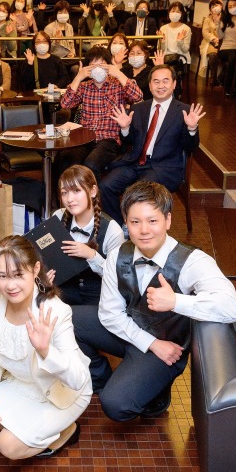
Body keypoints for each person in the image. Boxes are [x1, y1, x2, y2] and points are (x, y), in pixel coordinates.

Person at [72, 181, 236, 421]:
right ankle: (100, 378)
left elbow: (233, 308)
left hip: (167, 348)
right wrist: (150, 342)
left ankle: (155, 391)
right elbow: (110, 314)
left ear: (168, 220)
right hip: (134, 334)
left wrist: (176, 302)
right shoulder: (117, 255)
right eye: (135, 222)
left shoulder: (193, 261)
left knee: (116, 405)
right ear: (126, 223)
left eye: (152, 221)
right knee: (66, 318)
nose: (144, 230)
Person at [0, 235, 91, 459]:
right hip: (20, 382)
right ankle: (36, 428)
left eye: (18, 275)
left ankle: (66, 431)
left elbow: (78, 380)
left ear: (35, 270)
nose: (10, 285)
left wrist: (46, 351)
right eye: (2, 276)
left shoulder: (56, 310)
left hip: (60, 392)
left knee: (7, 446)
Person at [100, 64, 204, 224]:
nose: (160, 86)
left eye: (165, 81)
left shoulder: (185, 111)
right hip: (136, 163)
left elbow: (191, 147)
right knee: (105, 186)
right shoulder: (139, 108)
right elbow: (129, 141)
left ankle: (131, 226)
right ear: (150, 85)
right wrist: (125, 128)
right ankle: (117, 226)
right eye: (156, 81)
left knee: (139, 192)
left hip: (165, 167)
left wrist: (191, 128)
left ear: (174, 84)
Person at [58, 46, 143, 180]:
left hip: (108, 139)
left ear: (109, 66)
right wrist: (78, 77)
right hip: (85, 138)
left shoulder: (118, 85)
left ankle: (93, 193)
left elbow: (138, 96)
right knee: (66, 159)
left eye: (102, 64)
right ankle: (68, 192)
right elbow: (65, 104)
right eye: (93, 65)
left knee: (91, 163)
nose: (98, 69)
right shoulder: (84, 86)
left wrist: (118, 73)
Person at [49, 166, 125, 306]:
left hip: (97, 298)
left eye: (76, 191)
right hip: (62, 292)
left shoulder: (112, 230)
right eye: (64, 193)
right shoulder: (58, 216)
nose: (69, 199)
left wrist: (92, 255)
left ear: (93, 191)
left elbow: (119, 279)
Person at [217, 0, 236, 97]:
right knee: (233, 56)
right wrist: (218, 24)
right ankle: (227, 88)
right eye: (230, 6)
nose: (233, 8)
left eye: (234, 5)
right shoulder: (225, 20)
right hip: (225, 49)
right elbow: (220, 36)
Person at [200, 0, 224, 83]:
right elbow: (205, 32)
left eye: (216, 5)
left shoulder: (225, 19)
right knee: (212, 55)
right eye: (212, 6)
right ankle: (213, 78)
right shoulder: (207, 19)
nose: (215, 8)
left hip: (223, 43)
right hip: (211, 42)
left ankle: (222, 77)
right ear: (210, 9)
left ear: (221, 6)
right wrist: (213, 38)